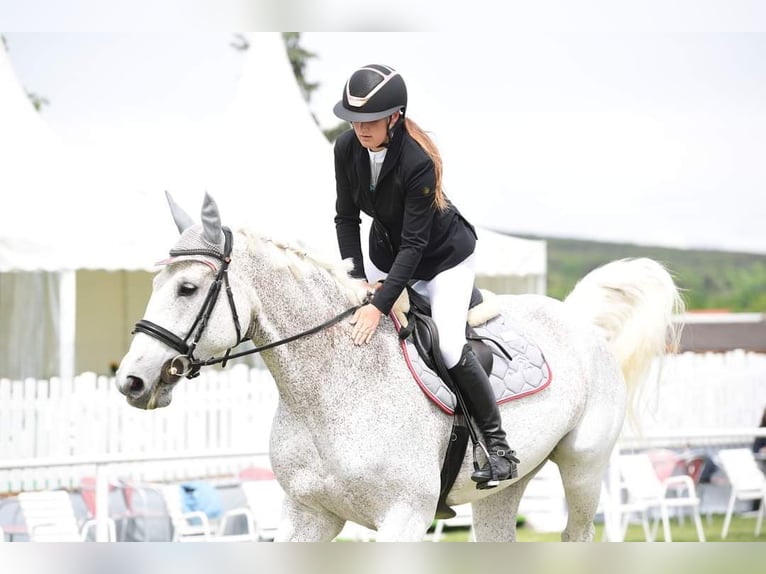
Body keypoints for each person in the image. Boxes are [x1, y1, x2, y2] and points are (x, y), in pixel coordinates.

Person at [331, 63, 518, 488]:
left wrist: (379, 305)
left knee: (448, 346)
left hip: (441, 260)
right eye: (355, 119)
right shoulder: (345, 149)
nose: (361, 128)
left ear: (394, 116)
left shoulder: (418, 161)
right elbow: (345, 218)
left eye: (371, 119)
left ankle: (498, 447)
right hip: (385, 253)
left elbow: (415, 248)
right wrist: (355, 277)